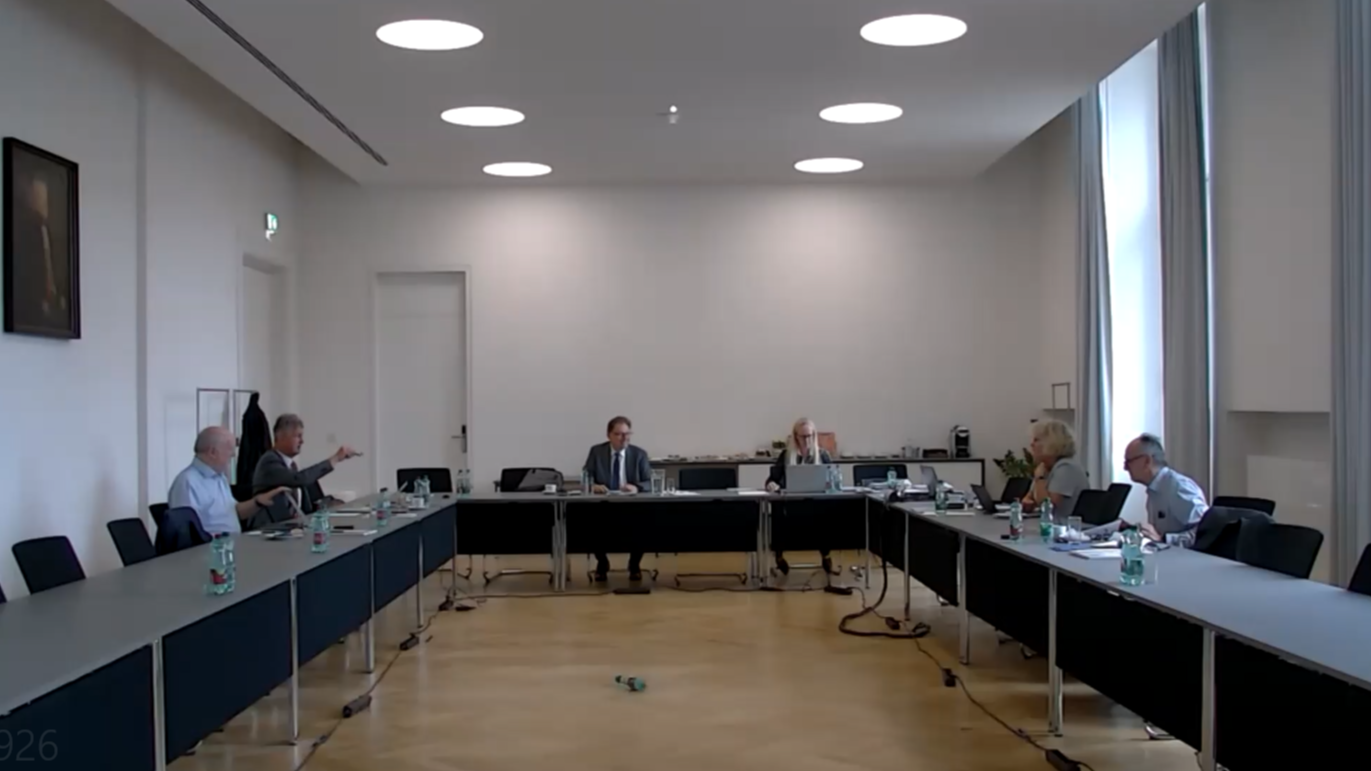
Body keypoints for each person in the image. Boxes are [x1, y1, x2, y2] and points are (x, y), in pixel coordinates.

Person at [168, 427, 289, 534]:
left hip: (232, 544)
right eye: (229, 448)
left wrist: (258, 501)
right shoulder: (187, 482)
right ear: (213, 452)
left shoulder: (219, 477)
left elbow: (234, 512)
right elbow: (186, 534)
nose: (233, 455)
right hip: (211, 548)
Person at [582, 416, 653, 581]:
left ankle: (634, 565)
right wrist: (593, 486)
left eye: (627, 434)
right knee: (592, 523)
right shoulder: (597, 452)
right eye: (619, 434)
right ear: (609, 435)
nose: (624, 438)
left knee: (642, 523)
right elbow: (586, 476)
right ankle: (602, 563)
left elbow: (650, 481)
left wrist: (636, 487)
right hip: (604, 503)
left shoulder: (639, 454)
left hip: (631, 504)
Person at [252, 414, 359, 521]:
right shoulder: (269, 461)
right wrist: (335, 458)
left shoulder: (291, 466)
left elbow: (309, 500)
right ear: (281, 437)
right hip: (268, 527)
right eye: (298, 436)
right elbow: (299, 479)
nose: (302, 441)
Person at [765, 418, 834, 576]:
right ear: (796, 436)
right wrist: (771, 484)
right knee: (777, 510)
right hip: (791, 503)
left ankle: (826, 554)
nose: (807, 439)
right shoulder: (786, 455)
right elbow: (772, 479)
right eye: (803, 436)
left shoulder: (823, 455)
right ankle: (779, 555)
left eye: (810, 436)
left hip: (816, 503)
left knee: (828, 513)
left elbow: (833, 477)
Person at [1121, 433, 1208, 547]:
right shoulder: (1155, 489)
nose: (1125, 468)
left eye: (1129, 461)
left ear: (1147, 461)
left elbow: (1207, 531)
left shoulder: (1178, 487)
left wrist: (1164, 539)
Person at [1022, 419, 1090, 520]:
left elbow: (1047, 506)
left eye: (1036, 440)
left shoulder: (1067, 468)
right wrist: (1028, 501)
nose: (1031, 444)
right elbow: (1029, 497)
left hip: (1065, 527)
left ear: (1052, 443)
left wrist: (1040, 478)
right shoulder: (1045, 467)